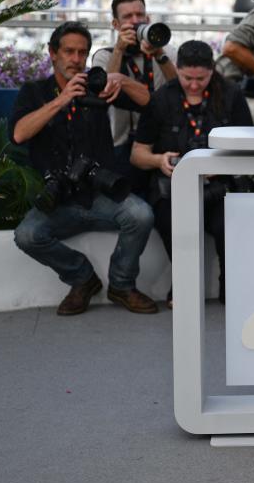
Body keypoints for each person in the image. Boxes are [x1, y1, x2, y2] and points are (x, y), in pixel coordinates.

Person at [11, 21, 158, 316]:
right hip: (58, 200)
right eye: (69, 51)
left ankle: (122, 285)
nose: (76, 59)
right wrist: (61, 100)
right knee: (27, 235)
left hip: (101, 192)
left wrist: (122, 81)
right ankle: (82, 279)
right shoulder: (35, 91)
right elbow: (19, 134)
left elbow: (151, 104)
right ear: (53, 53)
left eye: (82, 52)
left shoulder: (98, 84)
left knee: (141, 215)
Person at [130, 40, 252, 306]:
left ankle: (229, 285)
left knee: (226, 224)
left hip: (221, 186)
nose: (194, 85)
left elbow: (249, 150)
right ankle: (185, 283)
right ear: (177, 70)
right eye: (187, 78)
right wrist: (159, 160)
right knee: (174, 223)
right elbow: (137, 154)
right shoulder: (162, 98)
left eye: (202, 79)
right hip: (173, 189)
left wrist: (219, 167)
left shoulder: (231, 95)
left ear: (213, 72)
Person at [92, 0, 178, 191]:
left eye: (140, 16)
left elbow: (178, 90)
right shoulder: (104, 57)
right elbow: (105, 90)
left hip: (162, 141)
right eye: (128, 17)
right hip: (123, 143)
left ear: (148, 19)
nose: (135, 21)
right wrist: (119, 51)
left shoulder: (168, 52)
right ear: (115, 25)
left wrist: (159, 53)